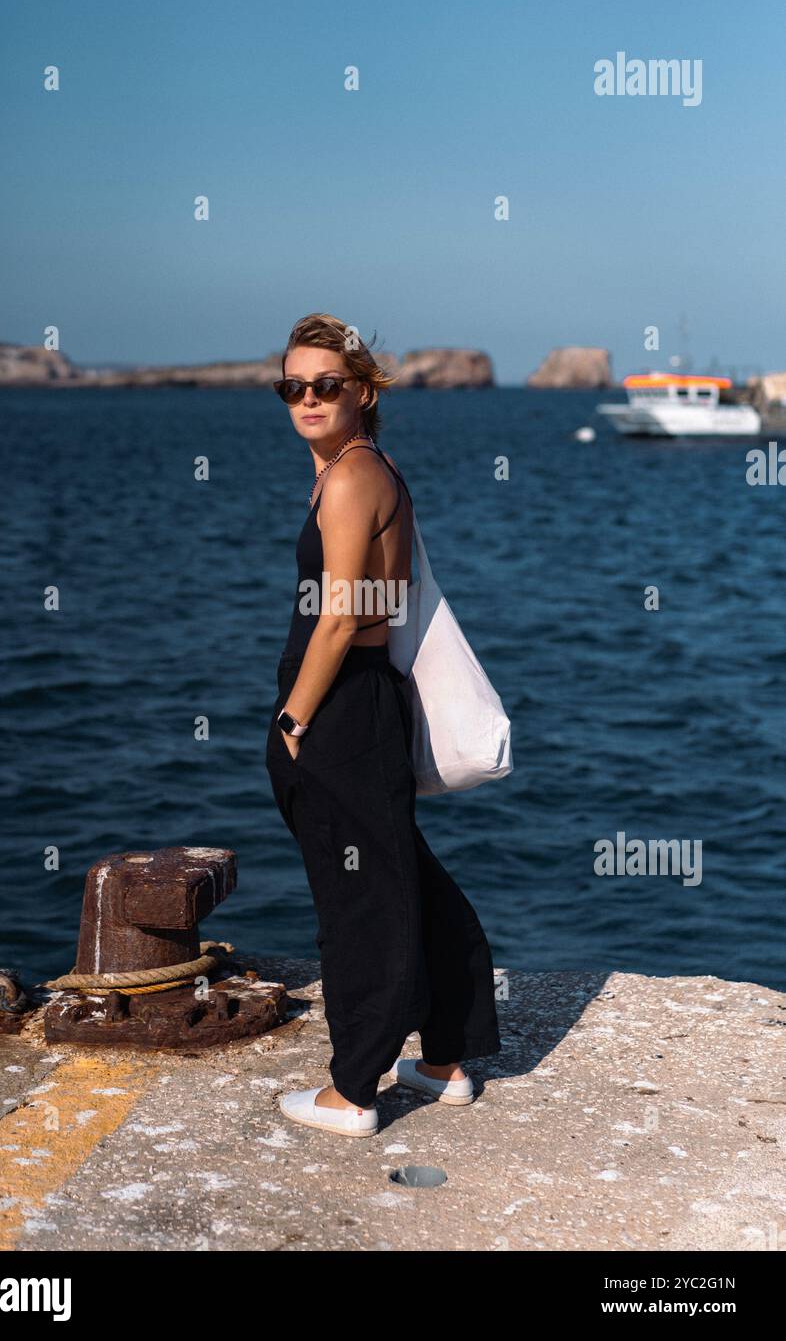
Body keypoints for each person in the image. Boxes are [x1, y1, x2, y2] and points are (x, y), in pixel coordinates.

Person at [265, 313, 500, 1138]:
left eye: (326, 385)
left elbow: (337, 620)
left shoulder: (349, 478)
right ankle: (444, 1057)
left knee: (357, 897)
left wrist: (296, 716)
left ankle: (353, 1091)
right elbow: (381, 605)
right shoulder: (371, 469)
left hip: (337, 704)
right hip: (365, 700)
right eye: (292, 386)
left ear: (363, 391)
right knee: (403, 875)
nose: (308, 398)